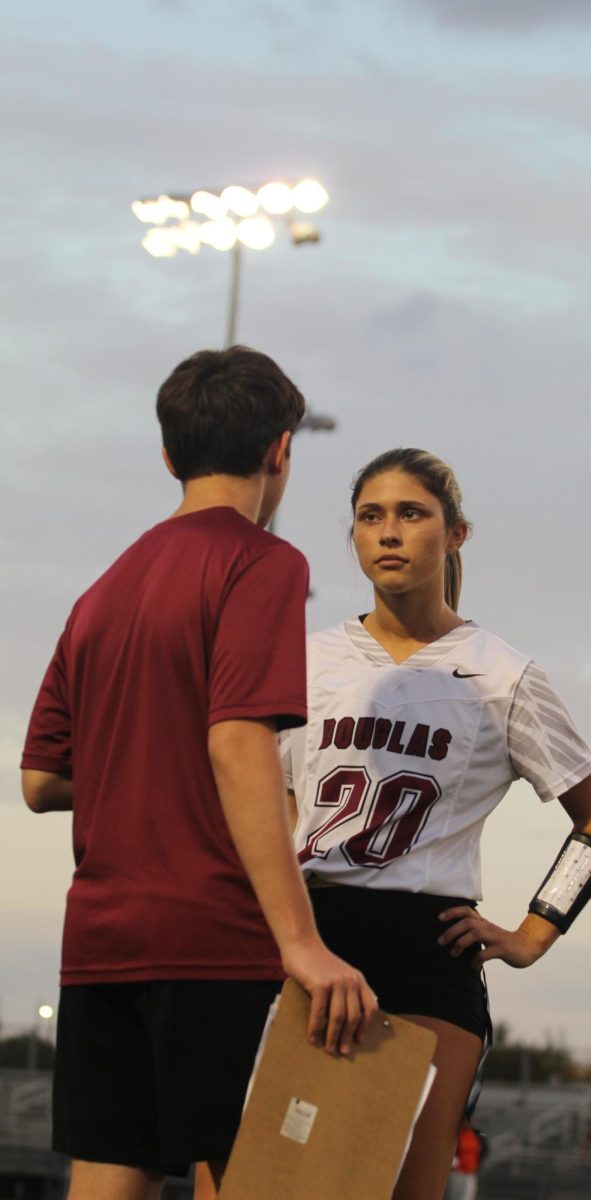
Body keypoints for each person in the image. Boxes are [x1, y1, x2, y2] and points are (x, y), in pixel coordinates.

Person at [20, 346, 376, 1200]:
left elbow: (40, 780)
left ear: (169, 455)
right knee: (253, 1179)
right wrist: (301, 943)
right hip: (213, 938)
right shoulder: (262, 561)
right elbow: (237, 743)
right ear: (280, 449)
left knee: (108, 1176)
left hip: (101, 944)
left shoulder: (103, 591)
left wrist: (145, 758)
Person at [283, 447, 591, 1200]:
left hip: (425, 947)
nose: (389, 532)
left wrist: (534, 934)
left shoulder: (502, 674)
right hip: (311, 935)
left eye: (412, 513)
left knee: (408, 1187)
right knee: (284, 1181)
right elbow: (274, 803)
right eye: (370, 517)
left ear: (456, 534)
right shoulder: (305, 662)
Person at [444, 1121, 487, 1200]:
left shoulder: (477, 1136)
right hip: (457, 1172)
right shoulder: (457, 1135)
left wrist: (478, 1164)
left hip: (470, 1173)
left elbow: (484, 1150)